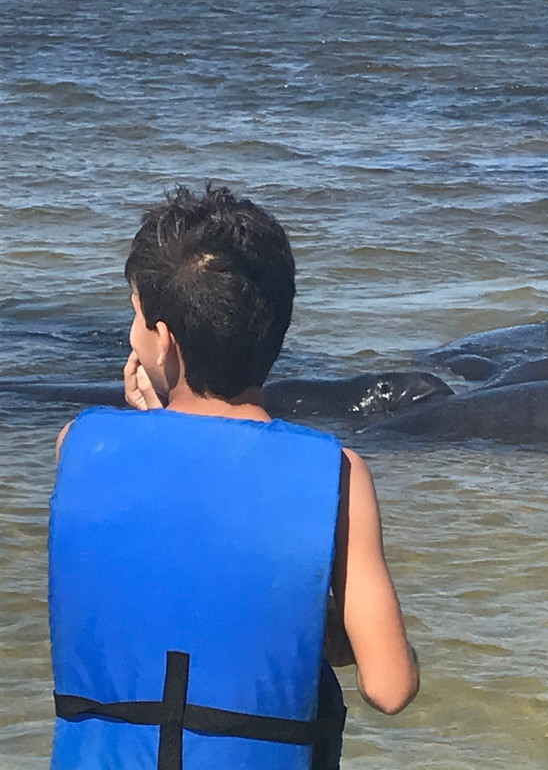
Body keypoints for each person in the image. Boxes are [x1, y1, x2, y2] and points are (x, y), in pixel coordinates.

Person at [48, 184, 419, 769]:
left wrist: (153, 422)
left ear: (164, 344)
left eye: (137, 317)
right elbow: (390, 686)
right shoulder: (339, 474)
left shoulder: (79, 445)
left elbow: (167, 550)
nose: (132, 334)